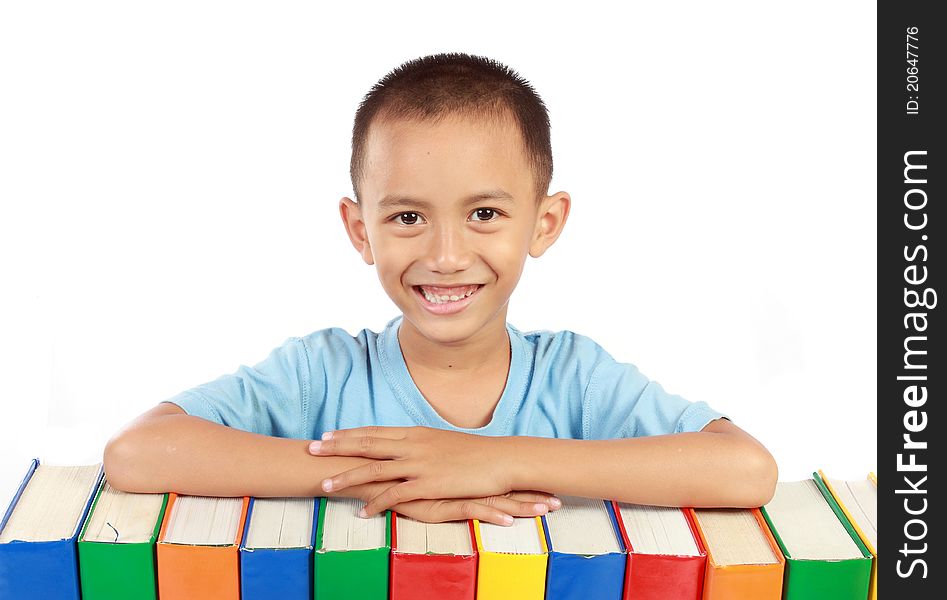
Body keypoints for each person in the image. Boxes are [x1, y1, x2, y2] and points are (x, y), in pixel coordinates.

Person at [104, 52, 777, 527]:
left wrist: (491, 462)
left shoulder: (572, 378)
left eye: (484, 214)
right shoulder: (324, 373)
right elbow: (137, 452)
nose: (447, 255)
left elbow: (744, 470)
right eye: (406, 217)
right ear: (359, 229)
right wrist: (393, 475)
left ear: (544, 224)